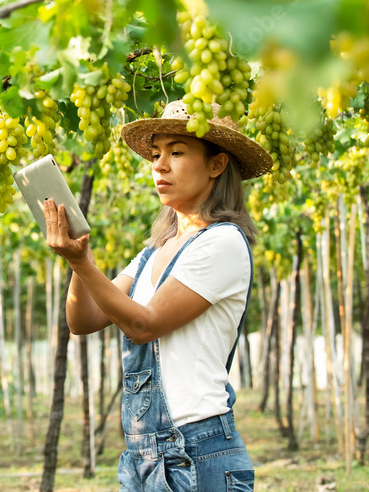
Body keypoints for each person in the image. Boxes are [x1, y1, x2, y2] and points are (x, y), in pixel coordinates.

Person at [43, 100, 272, 492]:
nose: (160, 165)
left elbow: (142, 324)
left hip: (196, 452)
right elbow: (83, 321)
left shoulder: (222, 243)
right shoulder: (154, 250)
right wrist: (80, 255)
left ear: (217, 165)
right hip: (143, 455)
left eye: (177, 153)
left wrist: (82, 265)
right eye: (156, 154)